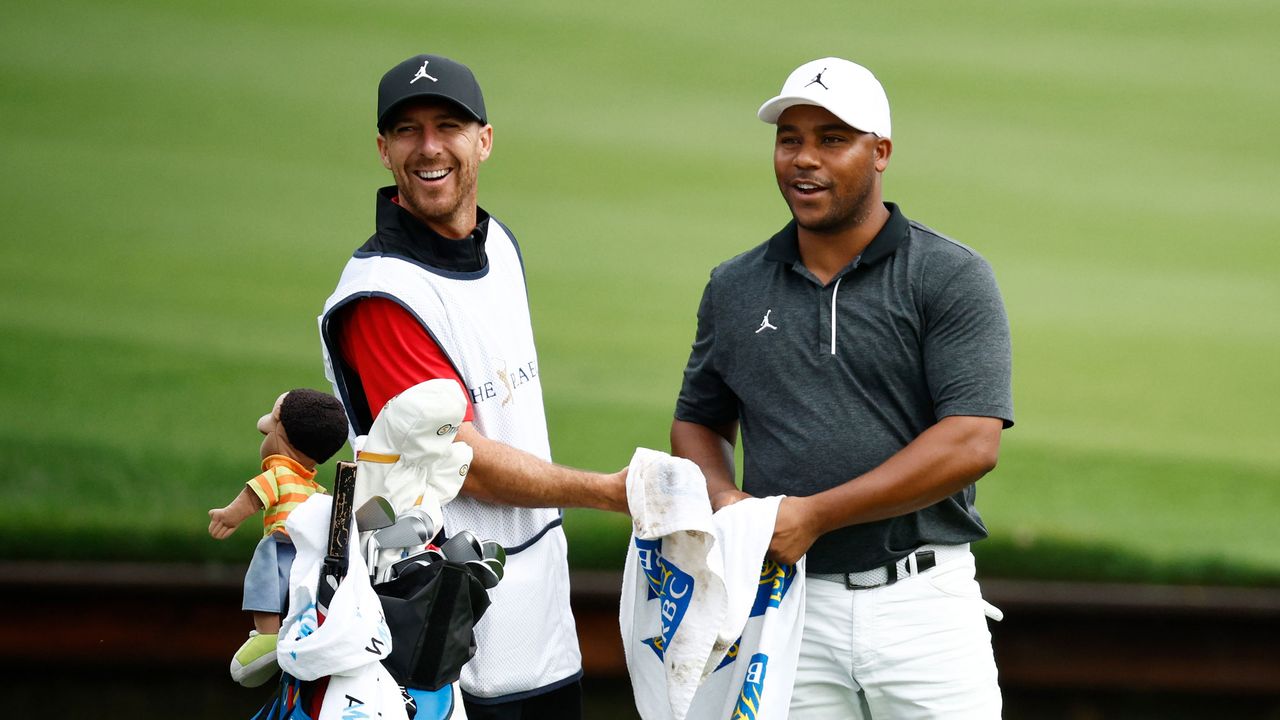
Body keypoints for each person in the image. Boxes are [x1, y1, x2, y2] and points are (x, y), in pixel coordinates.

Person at [670, 57, 1013, 719]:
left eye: (832, 139)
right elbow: (698, 421)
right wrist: (730, 502)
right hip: (786, 604)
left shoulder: (948, 276)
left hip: (923, 605)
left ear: (880, 153)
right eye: (789, 138)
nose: (804, 159)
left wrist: (815, 515)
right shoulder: (734, 286)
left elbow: (972, 441)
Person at [317, 53, 628, 719]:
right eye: (407, 130)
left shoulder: (501, 247)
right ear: (383, 149)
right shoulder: (381, 297)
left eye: (448, 125)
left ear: (483, 140)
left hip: (541, 623)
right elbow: (467, 464)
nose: (429, 147)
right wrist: (607, 492)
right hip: (444, 650)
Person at [207, 388, 349, 688]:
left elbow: (254, 495)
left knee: (264, 578)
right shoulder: (315, 488)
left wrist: (228, 516)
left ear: (280, 436)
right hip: (308, 553)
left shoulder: (279, 472)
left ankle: (268, 635)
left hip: (281, 544)